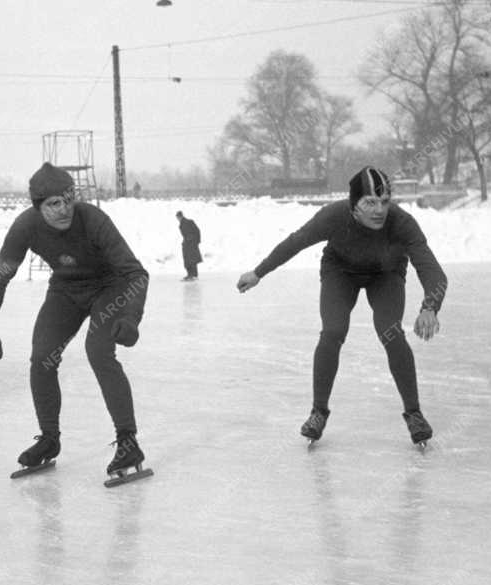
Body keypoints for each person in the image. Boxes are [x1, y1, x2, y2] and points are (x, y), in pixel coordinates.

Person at [236, 166, 446, 446]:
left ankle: (415, 414)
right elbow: (295, 242)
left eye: (384, 201)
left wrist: (430, 306)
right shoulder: (334, 216)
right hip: (340, 272)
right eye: (369, 202)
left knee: (391, 332)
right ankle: (318, 412)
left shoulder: (402, 223)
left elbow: (432, 271)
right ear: (354, 204)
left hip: (386, 274)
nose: (379, 210)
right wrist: (258, 272)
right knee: (333, 331)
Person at [0, 163, 152, 481]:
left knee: (98, 351)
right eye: (53, 204)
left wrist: (131, 318)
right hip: (66, 290)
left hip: (109, 288)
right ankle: (49, 438)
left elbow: (136, 273)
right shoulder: (26, 226)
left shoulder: (93, 220)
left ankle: (128, 441)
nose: (64, 209)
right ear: (38, 206)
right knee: (42, 357)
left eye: (68, 199)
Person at [176, 210, 202, 281]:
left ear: (180, 216)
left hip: (192, 244)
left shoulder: (189, 222)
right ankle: (190, 274)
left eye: (178, 217)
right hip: (186, 244)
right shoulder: (181, 225)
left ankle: (194, 275)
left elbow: (197, 231)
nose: (177, 219)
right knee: (187, 261)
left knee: (192, 260)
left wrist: (197, 241)